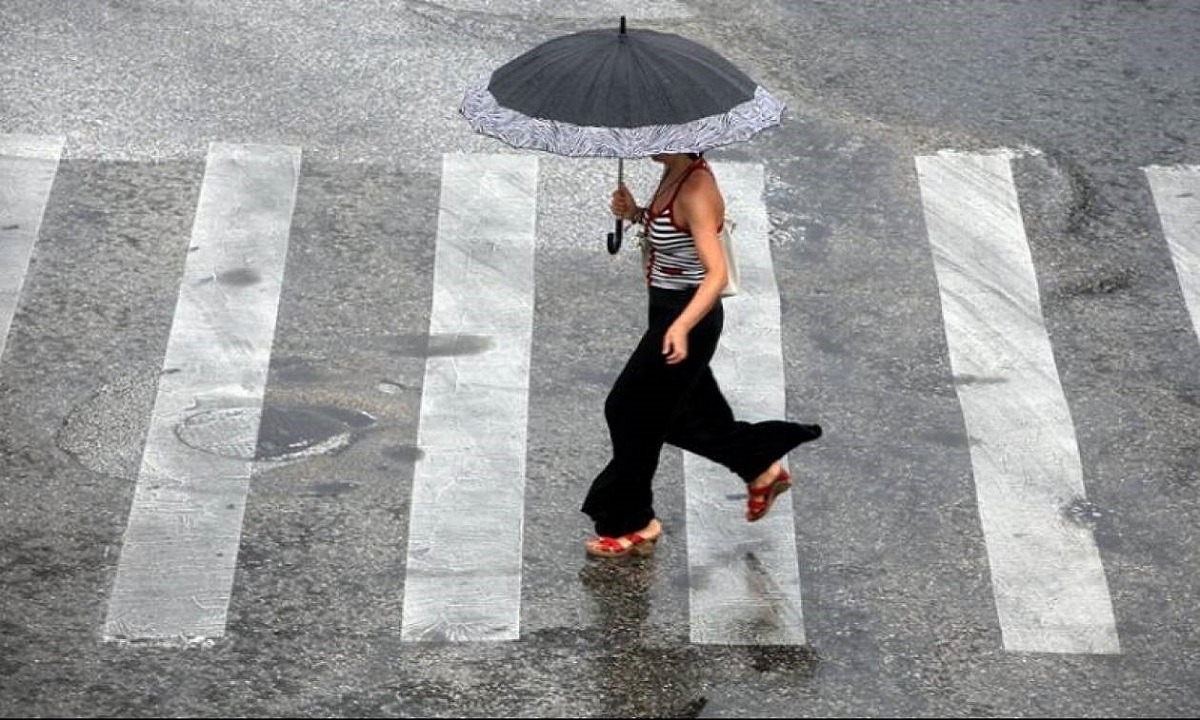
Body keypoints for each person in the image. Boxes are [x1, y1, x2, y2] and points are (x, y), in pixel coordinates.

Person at [582, 152, 823, 558]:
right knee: (680, 416)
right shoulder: (673, 171)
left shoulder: (695, 190)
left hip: (688, 320)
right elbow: (672, 236)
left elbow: (716, 274)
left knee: (627, 410)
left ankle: (633, 522)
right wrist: (636, 213)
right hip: (668, 313)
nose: (647, 140)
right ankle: (759, 466)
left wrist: (680, 327)